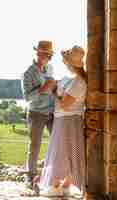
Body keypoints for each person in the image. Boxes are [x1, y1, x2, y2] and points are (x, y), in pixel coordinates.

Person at [38, 45, 87, 197]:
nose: (65, 64)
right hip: (64, 120)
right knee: (65, 152)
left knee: (61, 152)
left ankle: (56, 185)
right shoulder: (73, 80)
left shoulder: (78, 82)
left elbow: (65, 104)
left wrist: (53, 90)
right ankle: (64, 185)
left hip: (68, 121)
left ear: (71, 64)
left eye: (66, 62)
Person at [22, 40, 56, 184]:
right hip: (36, 113)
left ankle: (54, 174)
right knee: (35, 145)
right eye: (41, 53)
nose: (44, 57)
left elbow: (52, 89)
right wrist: (43, 88)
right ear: (37, 53)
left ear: (49, 56)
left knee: (56, 142)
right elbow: (27, 97)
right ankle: (30, 176)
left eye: (47, 55)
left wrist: (55, 88)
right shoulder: (28, 73)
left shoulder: (50, 69)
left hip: (52, 112)